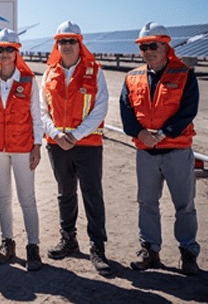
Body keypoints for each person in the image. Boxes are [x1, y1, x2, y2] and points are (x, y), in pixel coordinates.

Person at [121, 22, 200, 275]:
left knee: (184, 205)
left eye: (153, 45)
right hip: (146, 152)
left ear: (166, 46)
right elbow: (127, 112)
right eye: (144, 47)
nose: (148, 51)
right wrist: (140, 133)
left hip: (177, 151)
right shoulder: (132, 77)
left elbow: (188, 110)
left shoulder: (184, 74)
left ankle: (188, 253)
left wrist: (164, 133)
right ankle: (150, 250)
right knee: (146, 203)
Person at [40, 21, 112, 275]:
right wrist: (58, 135)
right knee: (65, 194)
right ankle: (68, 239)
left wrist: (76, 135)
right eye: (63, 41)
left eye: (72, 41)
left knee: (92, 194)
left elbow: (100, 107)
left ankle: (97, 246)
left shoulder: (95, 71)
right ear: (56, 45)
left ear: (80, 43)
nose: (67, 45)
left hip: (88, 145)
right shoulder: (49, 73)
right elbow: (42, 110)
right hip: (57, 145)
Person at [0, 28, 43, 271]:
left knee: (27, 198)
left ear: (17, 52)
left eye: (9, 49)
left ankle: (33, 247)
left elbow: (36, 116)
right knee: (2, 197)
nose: (5, 54)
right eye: (0, 50)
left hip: (22, 147)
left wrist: (37, 145)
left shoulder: (28, 81)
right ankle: (7, 242)